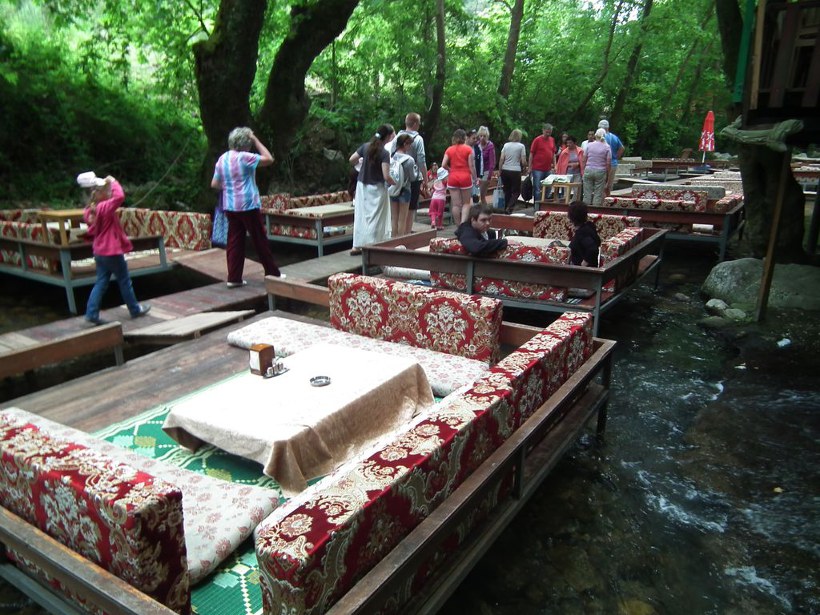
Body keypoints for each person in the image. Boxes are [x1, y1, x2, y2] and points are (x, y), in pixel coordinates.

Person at [211, 127, 283, 287]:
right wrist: (255, 139)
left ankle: (234, 278)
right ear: (245, 144)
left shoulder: (222, 158)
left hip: (230, 206)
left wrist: (229, 187)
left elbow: (214, 184)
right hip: (248, 205)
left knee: (234, 241)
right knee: (259, 239)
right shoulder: (244, 157)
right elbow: (269, 159)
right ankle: (272, 273)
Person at [78, 172, 151, 325]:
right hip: (111, 251)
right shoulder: (104, 207)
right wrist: (113, 181)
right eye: (106, 190)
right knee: (124, 280)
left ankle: (91, 313)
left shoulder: (89, 210)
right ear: (100, 194)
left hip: (99, 251)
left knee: (101, 282)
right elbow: (119, 197)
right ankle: (134, 309)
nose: (109, 192)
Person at [349, 124, 396, 255]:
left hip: (362, 186)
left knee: (361, 216)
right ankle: (373, 246)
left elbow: (352, 159)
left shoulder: (365, 147)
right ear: (387, 137)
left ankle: (356, 246)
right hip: (377, 188)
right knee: (376, 219)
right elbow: (386, 176)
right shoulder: (384, 153)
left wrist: (361, 164)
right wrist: (395, 182)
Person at [390, 112, 428, 235]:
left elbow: (391, 156)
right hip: (412, 179)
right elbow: (421, 160)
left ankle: (394, 237)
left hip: (395, 179)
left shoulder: (396, 137)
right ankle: (405, 236)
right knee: (410, 210)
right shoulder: (418, 139)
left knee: (395, 215)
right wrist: (425, 180)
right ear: (415, 124)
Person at [441, 129, 477, 225]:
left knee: (456, 205)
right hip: (465, 177)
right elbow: (471, 166)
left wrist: (450, 169)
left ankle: (458, 226)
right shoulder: (468, 149)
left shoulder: (449, 149)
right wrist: (475, 178)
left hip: (453, 177)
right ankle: (463, 223)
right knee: (466, 203)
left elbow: (443, 164)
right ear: (464, 138)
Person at [388, 133, 417, 238]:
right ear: (405, 144)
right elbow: (413, 178)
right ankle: (400, 241)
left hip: (393, 188)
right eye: (409, 144)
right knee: (402, 219)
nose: (410, 147)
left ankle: (393, 239)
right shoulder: (409, 160)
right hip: (405, 190)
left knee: (394, 218)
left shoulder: (392, 157)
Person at [498, 128, 528, 214]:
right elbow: (523, 161)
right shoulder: (521, 146)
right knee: (516, 192)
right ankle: (510, 207)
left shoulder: (506, 145)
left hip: (505, 170)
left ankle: (506, 208)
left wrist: (500, 170)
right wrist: (525, 168)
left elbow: (501, 159)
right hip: (515, 170)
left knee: (507, 191)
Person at [582, 128, 612, 207]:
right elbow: (608, 163)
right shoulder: (607, 147)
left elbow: (584, 159)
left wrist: (583, 171)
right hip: (600, 171)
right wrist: (608, 175)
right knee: (598, 193)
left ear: (595, 135)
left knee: (586, 193)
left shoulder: (589, 145)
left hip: (588, 169)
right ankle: (595, 208)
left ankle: (585, 207)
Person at [528, 123, 556, 203]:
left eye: (549, 132)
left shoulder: (552, 140)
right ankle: (537, 205)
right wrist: (530, 167)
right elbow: (531, 153)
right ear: (543, 131)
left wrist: (555, 165)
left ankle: (545, 203)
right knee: (537, 188)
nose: (548, 134)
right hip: (537, 168)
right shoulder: (537, 140)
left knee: (548, 187)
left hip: (548, 168)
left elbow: (553, 153)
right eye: (547, 132)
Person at [568, 201, 601, 266]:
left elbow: (593, 249)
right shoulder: (589, 226)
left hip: (581, 270)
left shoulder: (583, 232)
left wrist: (583, 265)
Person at [598, 119, 624, 196]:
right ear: (608, 127)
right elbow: (622, 148)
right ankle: (607, 199)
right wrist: (616, 157)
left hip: (602, 163)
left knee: (601, 184)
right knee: (609, 184)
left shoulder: (601, 138)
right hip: (613, 163)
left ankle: (601, 200)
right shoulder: (614, 137)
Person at [556, 135, 585, 200]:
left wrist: (577, 164)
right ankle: (566, 202)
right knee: (566, 190)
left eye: (570, 143)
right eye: (567, 143)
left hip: (577, 173)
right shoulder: (564, 152)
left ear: (574, 143)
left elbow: (583, 161)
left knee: (577, 191)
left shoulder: (580, 151)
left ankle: (575, 202)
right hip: (567, 174)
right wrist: (569, 165)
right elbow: (560, 163)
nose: (568, 144)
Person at [477, 126, 496, 205]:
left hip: (486, 171)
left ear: (487, 136)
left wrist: (489, 175)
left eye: (484, 136)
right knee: (476, 195)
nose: (482, 138)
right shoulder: (477, 145)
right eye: (481, 136)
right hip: (477, 172)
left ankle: (485, 210)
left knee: (482, 195)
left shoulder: (490, 146)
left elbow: (492, 162)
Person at [468, 129, 482, 204]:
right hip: (466, 175)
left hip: (475, 175)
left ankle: (476, 208)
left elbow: (480, 162)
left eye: (476, 138)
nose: (475, 140)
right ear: (468, 138)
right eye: (473, 138)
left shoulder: (477, 148)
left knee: (476, 196)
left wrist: (479, 176)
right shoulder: (464, 148)